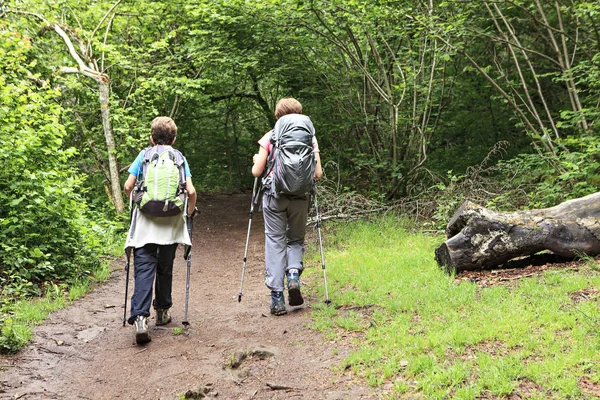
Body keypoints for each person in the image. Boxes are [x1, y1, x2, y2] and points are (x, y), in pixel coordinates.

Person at [123, 116, 197, 344]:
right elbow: (191, 192)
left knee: (144, 267)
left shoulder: (144, 155)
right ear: (174, 138)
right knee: (165, 267)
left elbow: (128, 186)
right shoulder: (179, 157)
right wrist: (189, 212)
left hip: (146, 223)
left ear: (151, 137)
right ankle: (162, 312)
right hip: (171, 223)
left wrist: (137, 203)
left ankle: (141, 317)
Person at [251, 98, 323, 316]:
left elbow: (256, 172)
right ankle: (293, 275)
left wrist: (256, 159)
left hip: (275, 196)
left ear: (278, 115)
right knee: (295, 239)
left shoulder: (270, 136)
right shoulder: (310, 137)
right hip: (301, 196)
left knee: (275, 241)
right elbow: (318, 174)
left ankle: (277, 299)